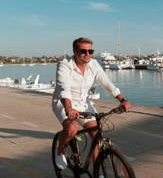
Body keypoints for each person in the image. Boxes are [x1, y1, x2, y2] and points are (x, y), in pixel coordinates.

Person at [52, 37, 131, 170]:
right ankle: (59, 151)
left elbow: (107, 83)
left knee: (96, 136)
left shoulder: (93, 64)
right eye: (83, 51)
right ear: (74, 51)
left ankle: (98, 174)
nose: (87, 54)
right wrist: (69, 108)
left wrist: (122, 100)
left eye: (90, 51)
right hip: (64, 103)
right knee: (72, 129)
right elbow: (64, 89)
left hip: (84, 104)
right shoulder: (65, 65)